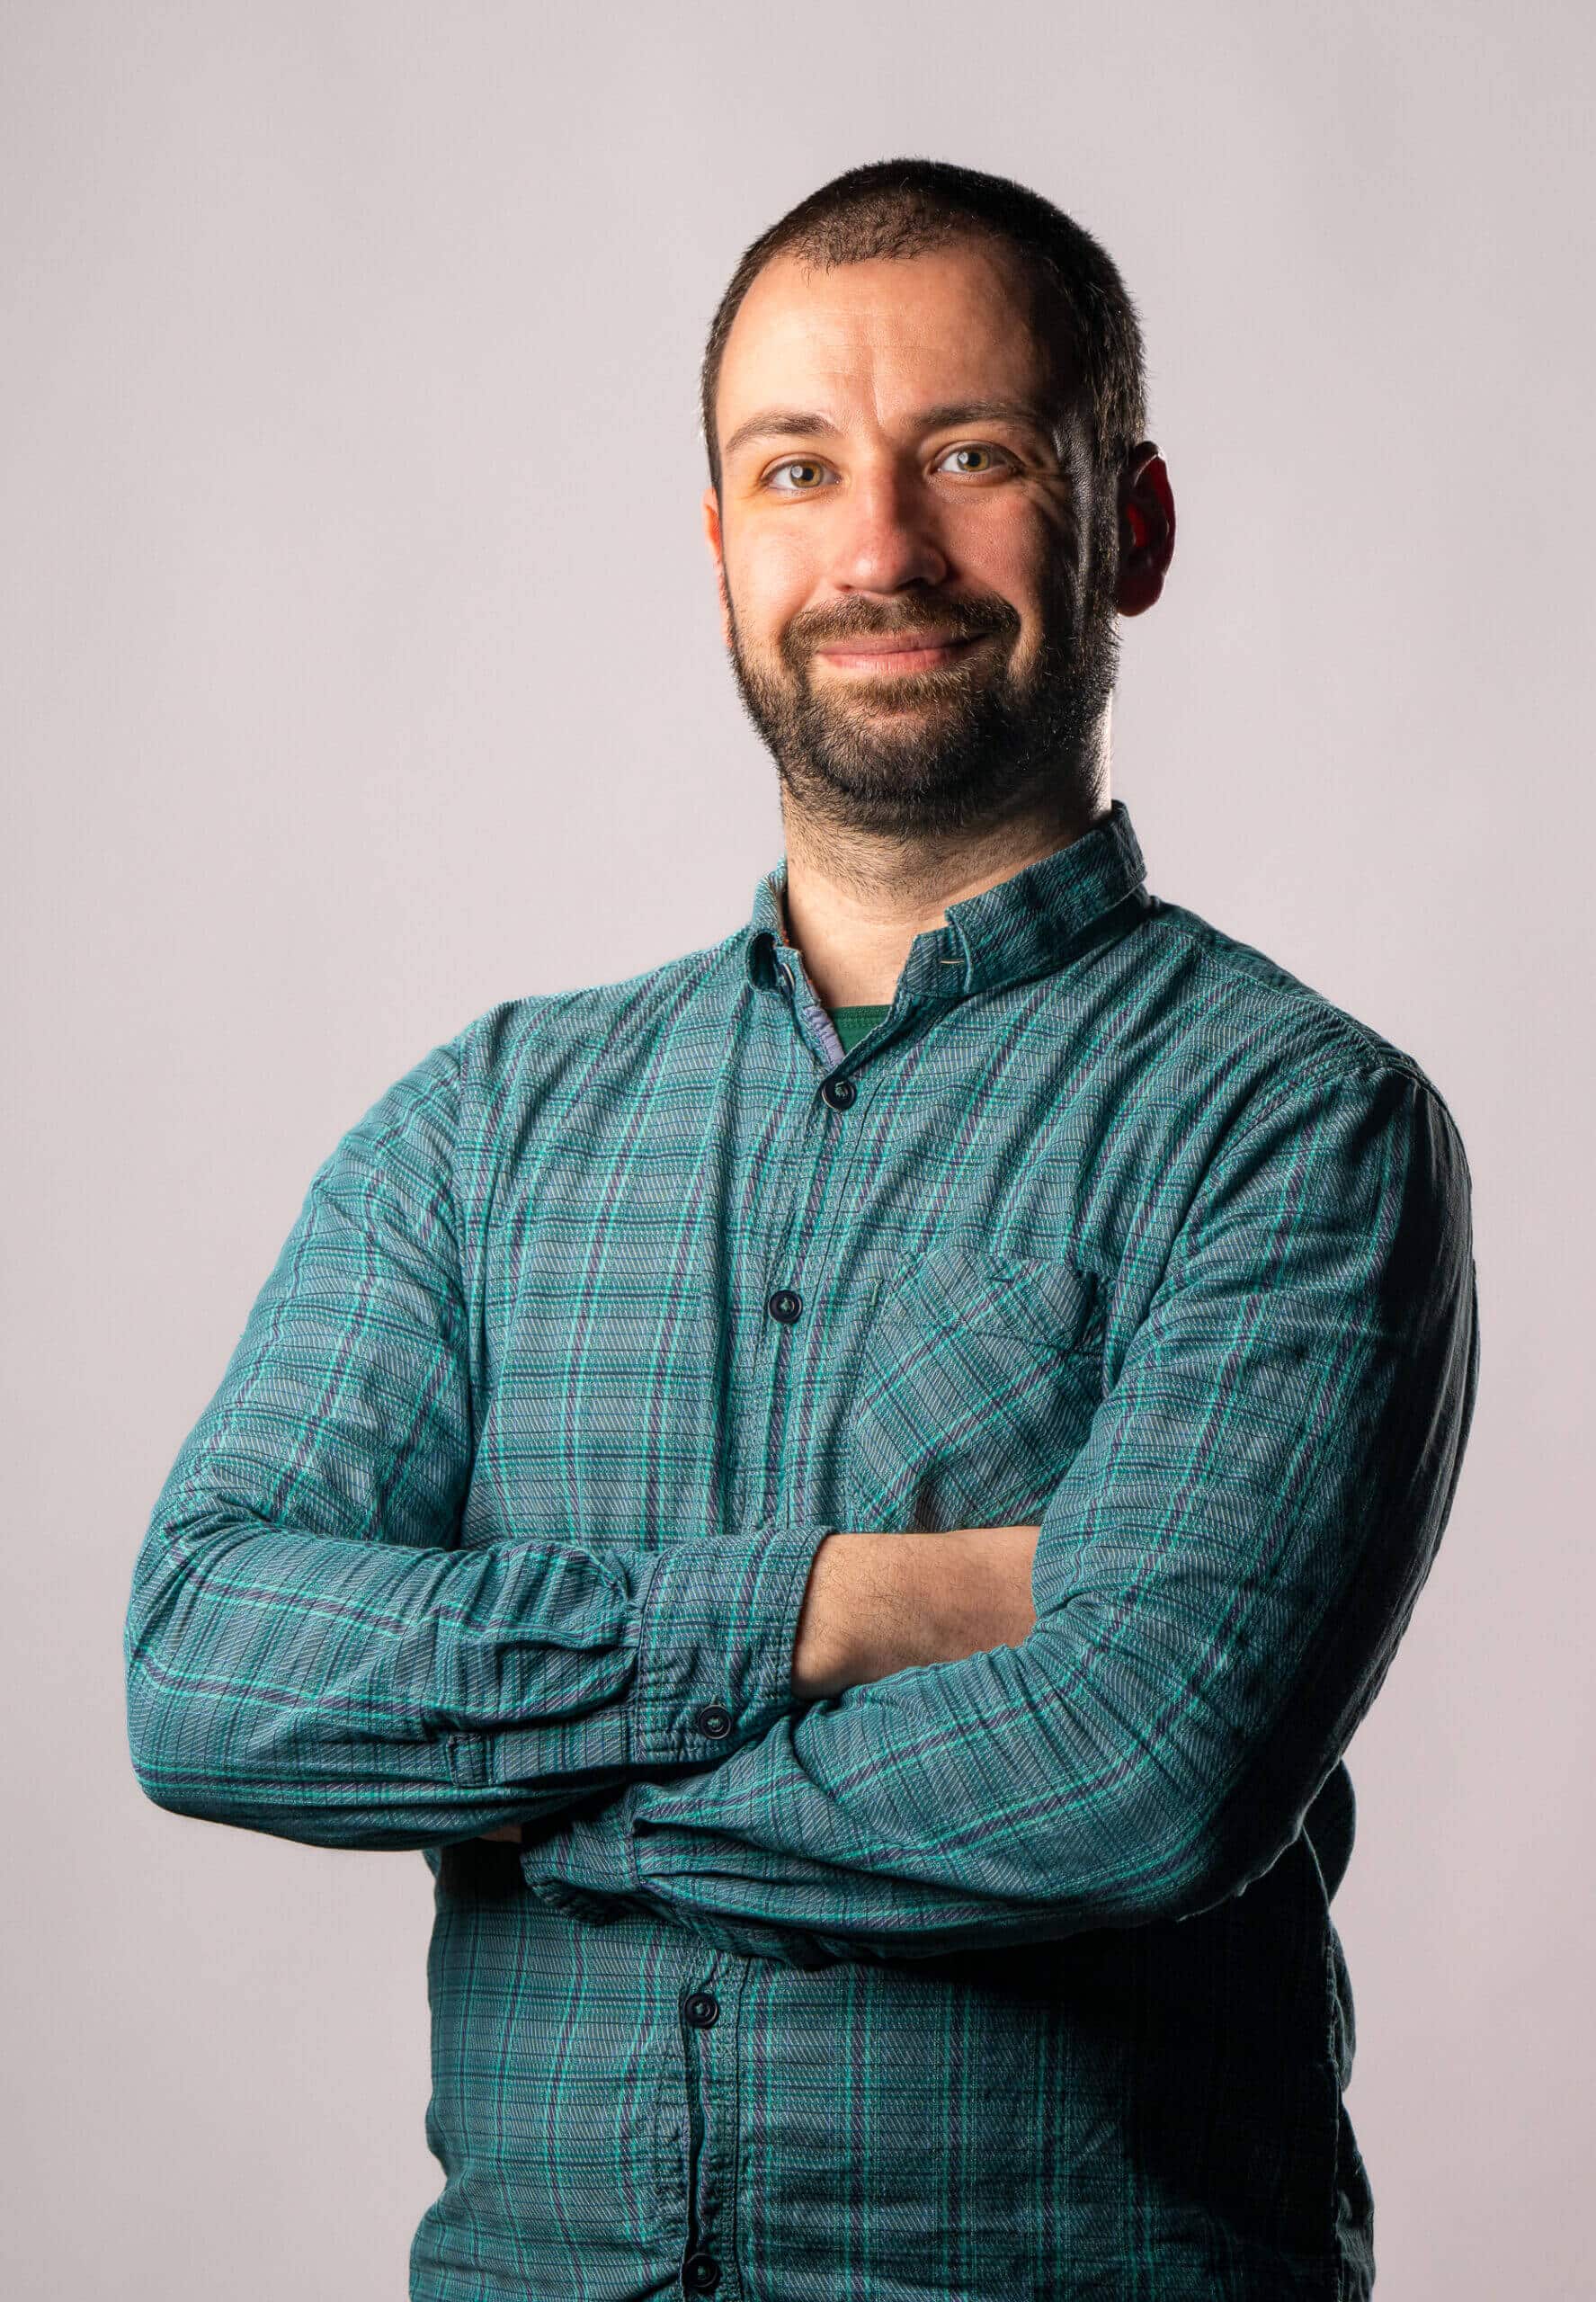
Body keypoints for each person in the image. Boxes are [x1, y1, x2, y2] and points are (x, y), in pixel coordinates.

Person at [123, 157, 1479, 2300]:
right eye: (797, 469)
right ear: (720, 551)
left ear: (1129, 525)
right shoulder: (484, 1128)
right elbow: (209, 1661)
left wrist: (560, 1810)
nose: (878, 549)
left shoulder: (1293, 1123)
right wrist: (834, 1608)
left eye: (971, 454)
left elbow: (1142, 1764)